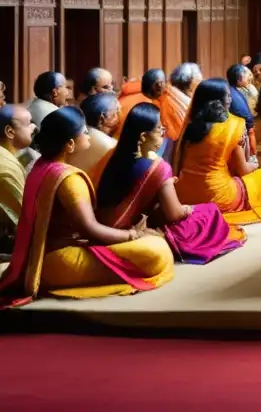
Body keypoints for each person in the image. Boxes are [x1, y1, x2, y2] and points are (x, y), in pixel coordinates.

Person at [0, 107, 174, 306]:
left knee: (150, 246)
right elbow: (91, 229)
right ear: (71, 144)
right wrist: (133, 235)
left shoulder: (41, 166)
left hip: (41, 258)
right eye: (84, 131)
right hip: (61, 261)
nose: (88, 134)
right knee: (157, 252)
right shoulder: (68, 179)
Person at [96, 104, 245, 264]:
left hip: (104, 229)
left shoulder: (114, 155)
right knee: (209, 211)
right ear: (143, 137)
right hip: (126, 235)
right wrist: (188, 208)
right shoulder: (158, 167)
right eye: (159, 129)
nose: (163, 133)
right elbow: (174, 213)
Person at [173, 79, 261, 225]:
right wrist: (255, 164)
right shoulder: (234, 125)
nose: (230, 99)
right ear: (218, 100)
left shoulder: (189, 126)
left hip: (183, 195)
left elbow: (178, 163)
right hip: (218, 196)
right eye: (228, 96)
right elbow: (242, 170)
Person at [118, 69, 187, 147]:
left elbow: (174, 135)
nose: (151, 100)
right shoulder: (169, 92)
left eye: (151, 97)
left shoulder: (168, 102)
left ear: (159, 85)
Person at [0, 105, 34, 247]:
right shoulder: (6, 168)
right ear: (10, 131)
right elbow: (27, 218)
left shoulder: (12, 155)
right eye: (28, 124)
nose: (34, 127)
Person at [74, 93, 120, 185]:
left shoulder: (73, 135)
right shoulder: (111, 146)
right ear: (102, 119)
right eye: (117, 113)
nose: (120, 117)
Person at [227, 64, 257, 159]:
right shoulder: (234, 94)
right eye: (245, 74)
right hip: (240, 134)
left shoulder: (234, 90)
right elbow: (247, 121)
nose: (249, 76)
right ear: (239, 79)